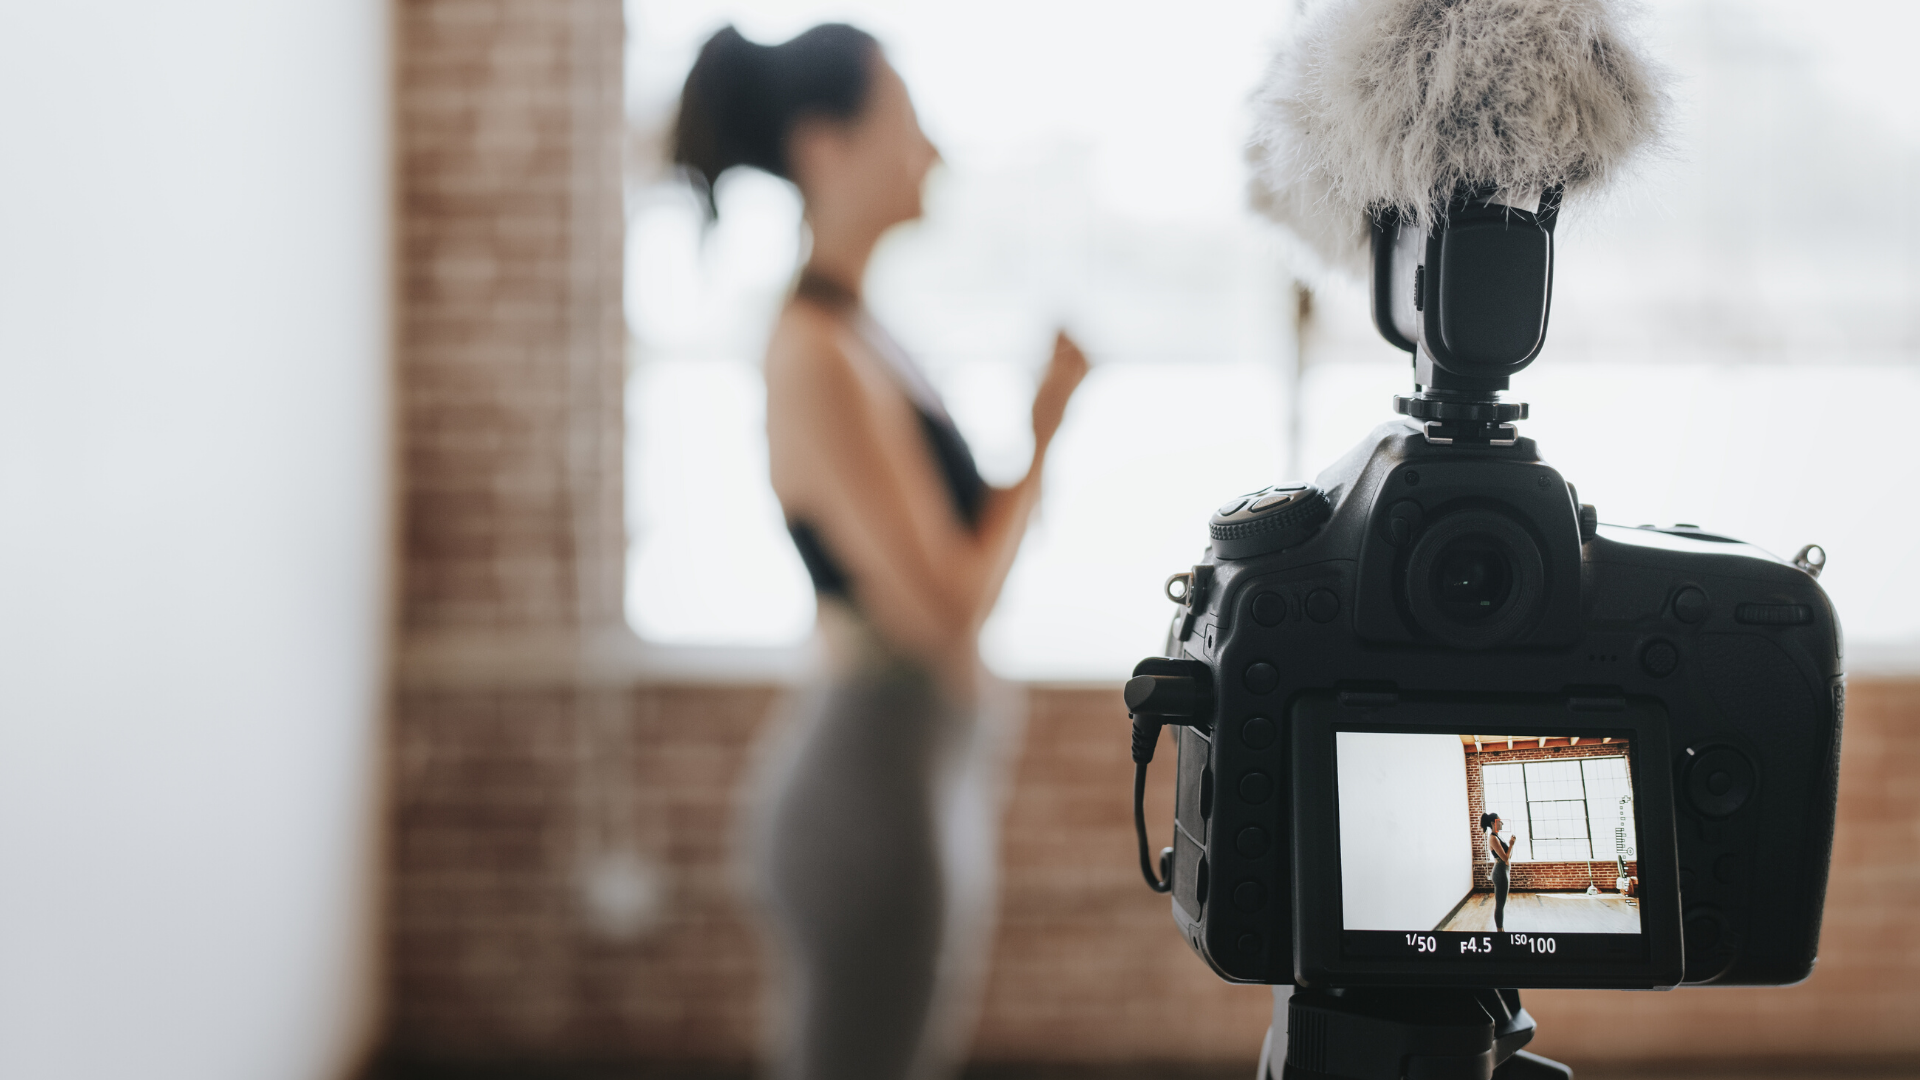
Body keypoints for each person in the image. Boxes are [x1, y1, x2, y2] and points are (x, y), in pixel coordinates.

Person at [672, 24, 1089, 1080]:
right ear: (826, 147)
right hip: (868, 795)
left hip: (906, 776)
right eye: (907, 124)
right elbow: (945, 608)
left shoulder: (859, 330)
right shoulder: (816, 351)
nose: (931, 156)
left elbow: (949, 551)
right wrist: (1045, 430)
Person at [1482, 811, 1513, 932]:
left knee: (1501, 904)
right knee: (1500, 905)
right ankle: (1500, 931)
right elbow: (1505, 858)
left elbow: (1507, 857)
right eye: (1499, 821)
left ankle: (1501, 929)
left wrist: (1510, 847)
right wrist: (1511, 844)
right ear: (1492, 823)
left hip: (1503, 871)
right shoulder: (1493, 838)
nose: (1502, 823)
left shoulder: (1497, 836)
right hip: (1500, 872)